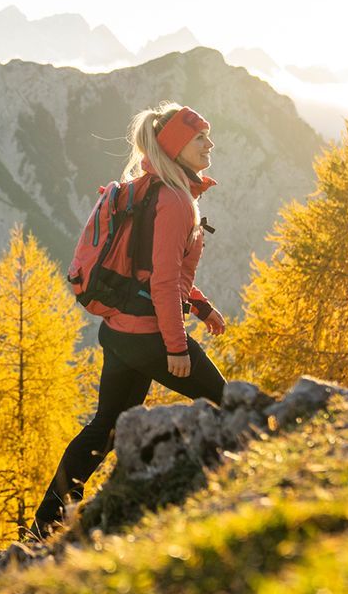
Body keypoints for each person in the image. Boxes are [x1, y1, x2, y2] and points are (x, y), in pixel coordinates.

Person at [30, 102, 227, 538]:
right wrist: (176, 347)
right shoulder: (176, 201)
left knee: (107, 426)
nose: (209, 144)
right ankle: (239, 492)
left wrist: (201, 306)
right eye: (200, 138)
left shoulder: (151, 189)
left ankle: (47, 522)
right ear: (176, 147)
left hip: (119, 331)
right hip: (150, 334)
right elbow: (163, 280)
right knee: (230, 404)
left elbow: (151, 271)